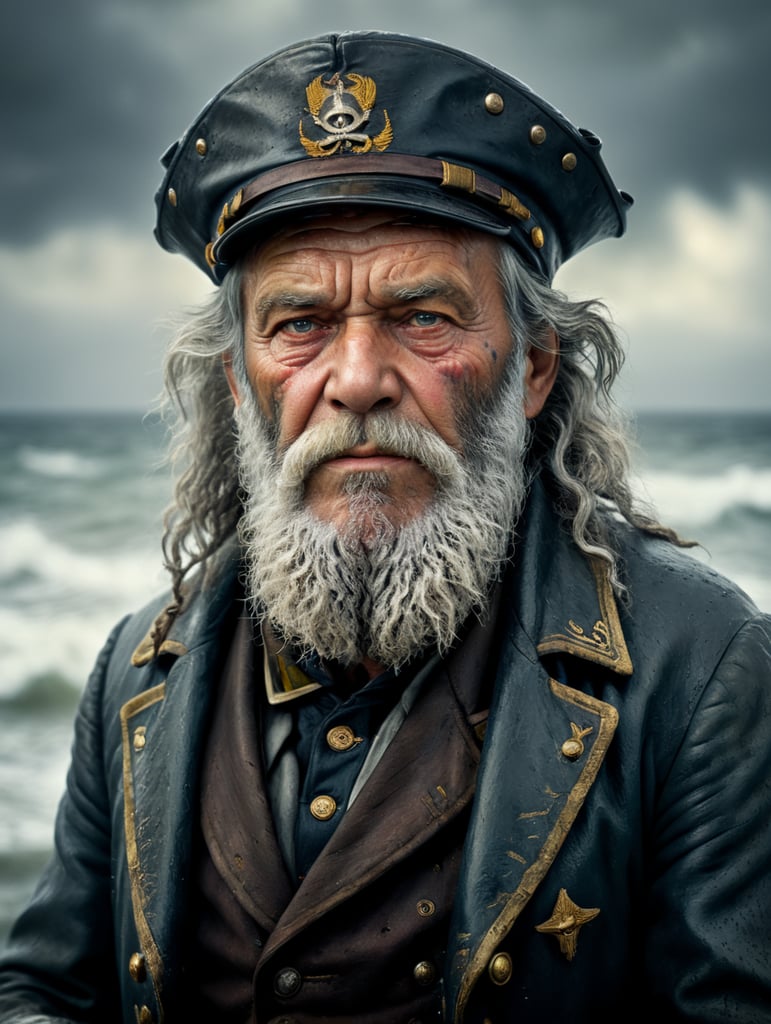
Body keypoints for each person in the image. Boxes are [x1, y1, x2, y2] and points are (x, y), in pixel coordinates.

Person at [0, 30, 769, 1024]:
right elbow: (48, 989)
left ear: (533, 368)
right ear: (240, 379)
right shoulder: (133, 673)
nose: (357, 380)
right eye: (300, 325)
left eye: (423, 316)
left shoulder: (700, 669)